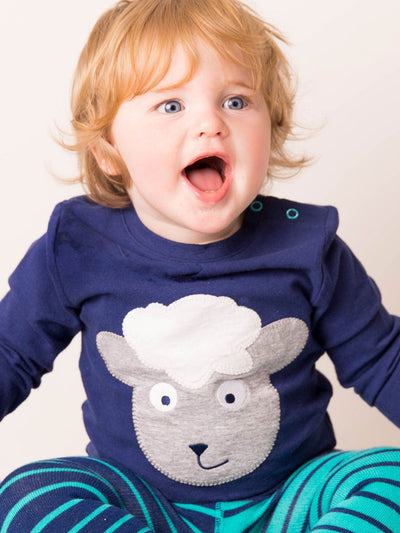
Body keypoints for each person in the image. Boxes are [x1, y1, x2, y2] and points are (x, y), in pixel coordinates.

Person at [0, 0, 399, 531]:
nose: (211, 123)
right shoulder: (77, 245)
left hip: (293, 500)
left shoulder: (308, 246)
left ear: (272, 128)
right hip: (142, 504)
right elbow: (10, 355)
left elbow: (383, 360)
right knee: (28, 493)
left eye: (236, 101)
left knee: (389, 475)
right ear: (109, 150)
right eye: (170, 105)